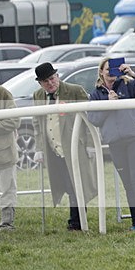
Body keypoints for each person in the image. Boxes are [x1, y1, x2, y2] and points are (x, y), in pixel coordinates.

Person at [87, 58, 135, 230]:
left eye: (114, 68)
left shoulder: (129, 85)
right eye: (107, 69)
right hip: (115, 142)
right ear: (101, 72)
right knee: (127, 183)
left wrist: (133, 73)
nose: (111, 72)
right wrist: (109, 105)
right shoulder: (96, 94)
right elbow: (94, 119)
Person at [32, 62, 98, 231]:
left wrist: (91, 144)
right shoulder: (38, 95)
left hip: (75, 147)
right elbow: (38, 124)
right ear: (40, 83)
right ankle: (76, 220)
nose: (50, 83)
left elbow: (90, 118)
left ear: (57, 76)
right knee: (66, 184)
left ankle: (76, 222)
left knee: (78, 184)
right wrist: (39, 148)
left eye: (52, 78)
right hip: (53, 149)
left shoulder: (75, 90)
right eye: (45, 81)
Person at [0, 82, 20, 230]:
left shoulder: (2, 93)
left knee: (7, 188)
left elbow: (14, 119)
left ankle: (7, 222)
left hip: (4, 152)